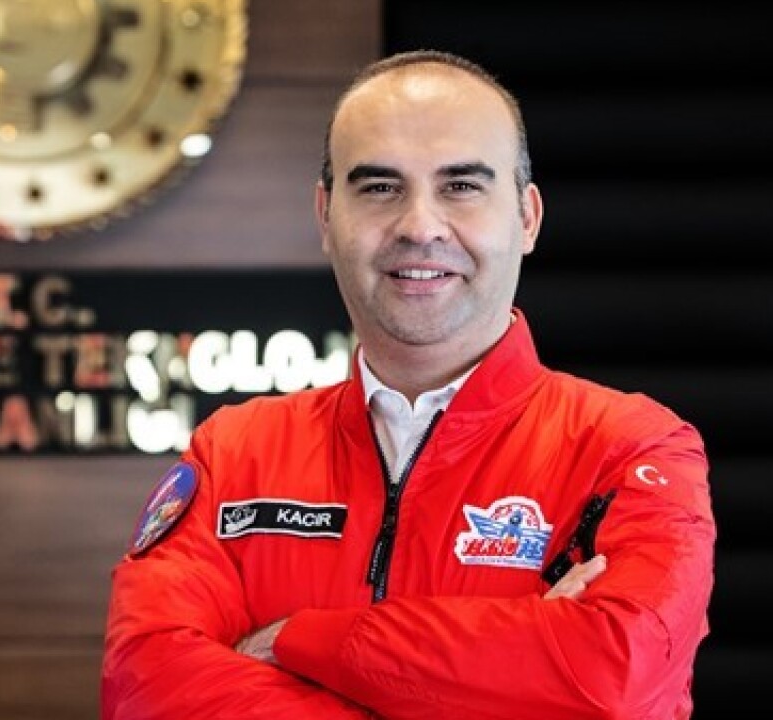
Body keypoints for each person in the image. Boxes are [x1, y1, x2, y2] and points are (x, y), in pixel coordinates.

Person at [100, 49, 715, 719]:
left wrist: (302, 641)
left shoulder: (629, 449)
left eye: (461, 186)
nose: (420, 226)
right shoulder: (233, 455)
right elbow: (146, 687)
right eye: (379, 188)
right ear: (325, 217)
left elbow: (618, 675)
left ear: (527, 218)